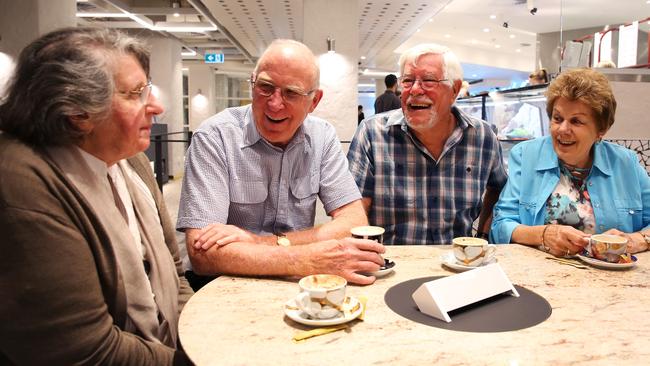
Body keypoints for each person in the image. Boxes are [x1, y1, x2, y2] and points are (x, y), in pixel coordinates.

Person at [0, 28, 193, 365]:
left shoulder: (130, 158)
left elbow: (173, 275)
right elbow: (83, 350)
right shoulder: (22, 184)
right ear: (77, 112)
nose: (157, 107)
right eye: (135, 94)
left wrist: (201, 336)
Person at [177, 39, 384, 287]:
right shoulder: (214, 137)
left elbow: (354, 221)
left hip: (297, 287)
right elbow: (203, 254)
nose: (275, 104)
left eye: (291, 93)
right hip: (224, 286)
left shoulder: (322, 137)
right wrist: (306, 258)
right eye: (265, 87)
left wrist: (258, 243)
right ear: (253, 84)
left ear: (314, 101)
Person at [347, 43, 507, 245]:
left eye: (429, 80)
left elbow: (499, 189)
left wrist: (483, 235)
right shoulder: (372, 132)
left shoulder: (482, 136)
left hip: (458, 264)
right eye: (407, 81)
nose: (414, 90)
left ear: (455, 89)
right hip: (392, 263)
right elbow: (354, 209)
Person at [490, 68, 650, 257]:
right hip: (541, 276)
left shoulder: (626, 163)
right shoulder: (526, 155)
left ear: (601, 130)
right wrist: (543, 235)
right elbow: (500, 226)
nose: (563, 129)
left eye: (576, 121)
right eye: (557, 119)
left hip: (613, 281)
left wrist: (635, 241)